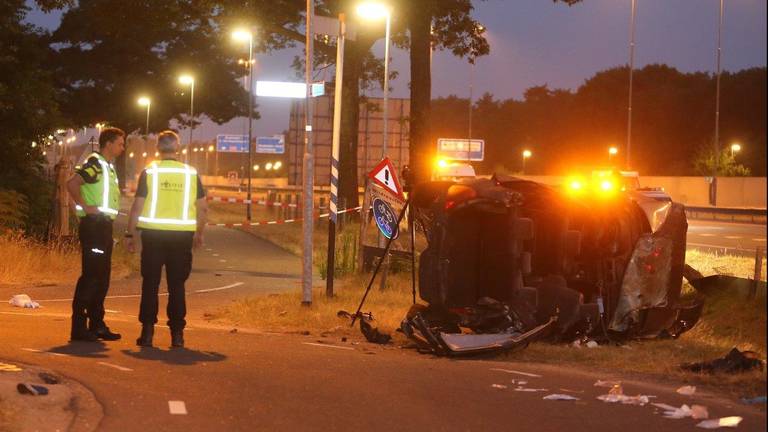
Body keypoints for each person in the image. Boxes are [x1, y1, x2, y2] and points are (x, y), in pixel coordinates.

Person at [125, 131, 207, 348]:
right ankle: (177, 335)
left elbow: (137, 206)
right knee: (177, 285)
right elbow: (203, 208)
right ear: (178, 148)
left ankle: (148, 333)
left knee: (150, 284)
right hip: (181, 238)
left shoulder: (149, 172)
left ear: (158, 149)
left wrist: (130, 234)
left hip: (153, 236)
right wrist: (199, 233)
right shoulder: (191, 174)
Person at [66, 127, 125, 342]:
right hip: (94, 226)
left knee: (102, 277)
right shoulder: (96, 164)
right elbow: (72, 184)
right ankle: (79, 327)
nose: (122, 147)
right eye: (120, 143)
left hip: (103, 227)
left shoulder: (107, 167)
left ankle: (97, 324)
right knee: (91, 276)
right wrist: (85, 207)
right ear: (108, 143)